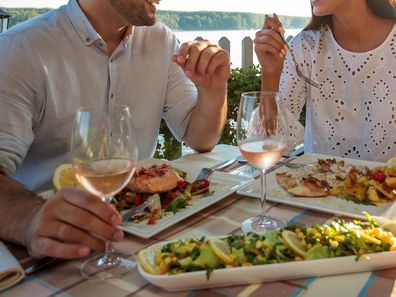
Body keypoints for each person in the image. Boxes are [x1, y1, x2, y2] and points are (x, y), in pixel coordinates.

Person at [0, 0, 230, 259]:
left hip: (145, 231)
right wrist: (30, 217)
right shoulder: (19, 49)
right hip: (51, 248)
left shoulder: (162, 41)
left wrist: (213, 89)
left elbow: (200, 137)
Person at [254, 0, 396, 162]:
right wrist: (270, 72)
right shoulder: (306, 47)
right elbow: (268, 142)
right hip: (315, 184)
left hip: (387, 185)